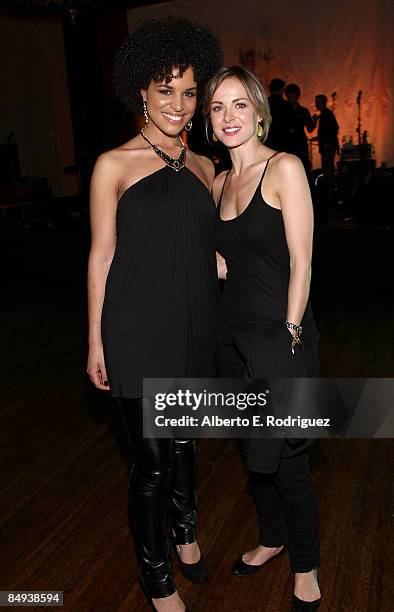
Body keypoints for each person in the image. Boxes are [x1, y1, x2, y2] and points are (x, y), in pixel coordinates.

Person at [86, 18, 222, 612]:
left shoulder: (204, 169)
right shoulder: (112, 165)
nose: (178, 104)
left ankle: (186, 532)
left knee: (186, 440)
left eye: (189, 91)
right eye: (166, 90)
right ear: (141, 90)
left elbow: (209, 247)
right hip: (136, 329)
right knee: (153, 462)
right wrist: (95, 340)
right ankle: (156, 577)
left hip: (193, 325)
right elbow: (101, 256)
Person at [203, 66, 322, 611]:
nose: (228, 117)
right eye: (217, 108)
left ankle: (306, 565)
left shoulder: (285, 168)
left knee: (290, 458)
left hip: (280, 333)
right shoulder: (220, 181)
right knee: (257, 452)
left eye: (238, 105)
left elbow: (301, 261)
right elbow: (228, 265)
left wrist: (292, 334)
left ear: (258, 110)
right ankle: (271, 538)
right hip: (233, 337)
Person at [312, 94, 339, 204]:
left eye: (319, 101)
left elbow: (333, 129)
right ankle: (330, 196)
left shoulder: (326, 114)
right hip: (328, 147)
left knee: (328, 171)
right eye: (316, 101)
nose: (317, 104)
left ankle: (330, 197)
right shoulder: (324, 114)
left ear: (324, 102)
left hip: (328, 148)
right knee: (328, 171)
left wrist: (326, 142)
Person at [285, 83, 314, 174]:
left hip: (300, 144)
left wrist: (314, 121)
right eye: (290, 97)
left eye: (293, 96)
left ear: (298, 96)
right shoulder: (283, 110)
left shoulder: (304, 111)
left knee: (303, 168)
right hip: (287, 144)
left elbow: (310, 129)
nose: (292, 99)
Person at [264, 77, 293, 152]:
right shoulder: (285, 105)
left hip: (268, 141)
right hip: (283, 141)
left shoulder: (265, 104)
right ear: (281, 89)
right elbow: (290, 125)